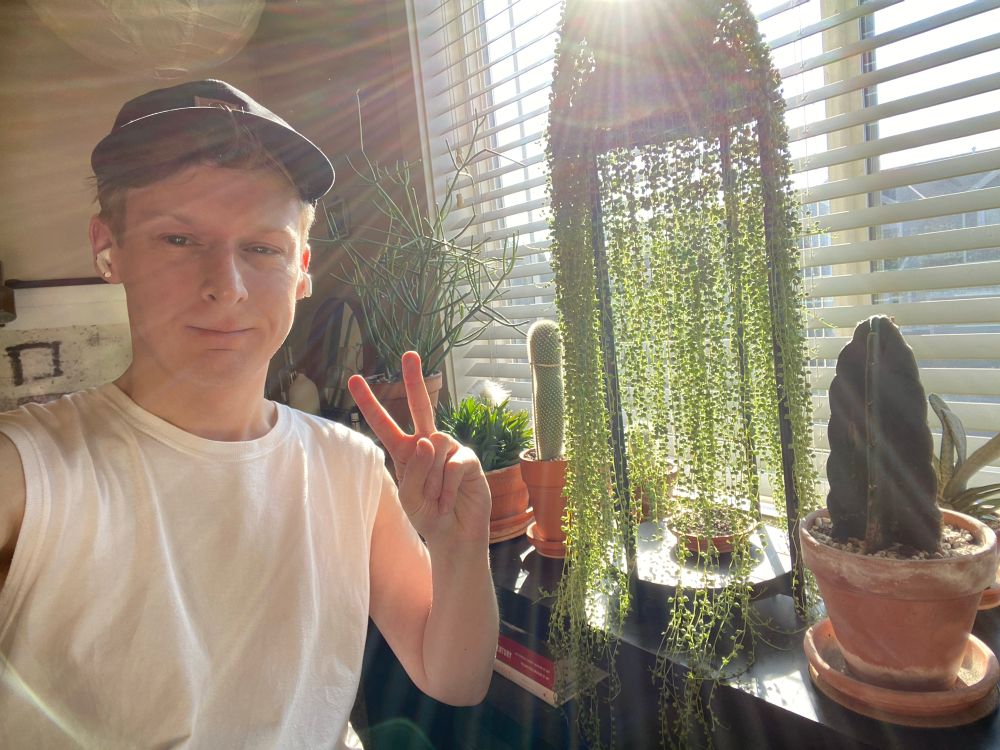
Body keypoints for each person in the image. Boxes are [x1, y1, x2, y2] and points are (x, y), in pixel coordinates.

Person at [0, 79, 498, 748]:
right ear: (107, 247)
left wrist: (460, 548)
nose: (226, 287)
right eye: (179, 239)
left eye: (262, 249)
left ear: (302, 269)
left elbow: (454, 677)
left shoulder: (349, 468)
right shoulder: (30, 471)